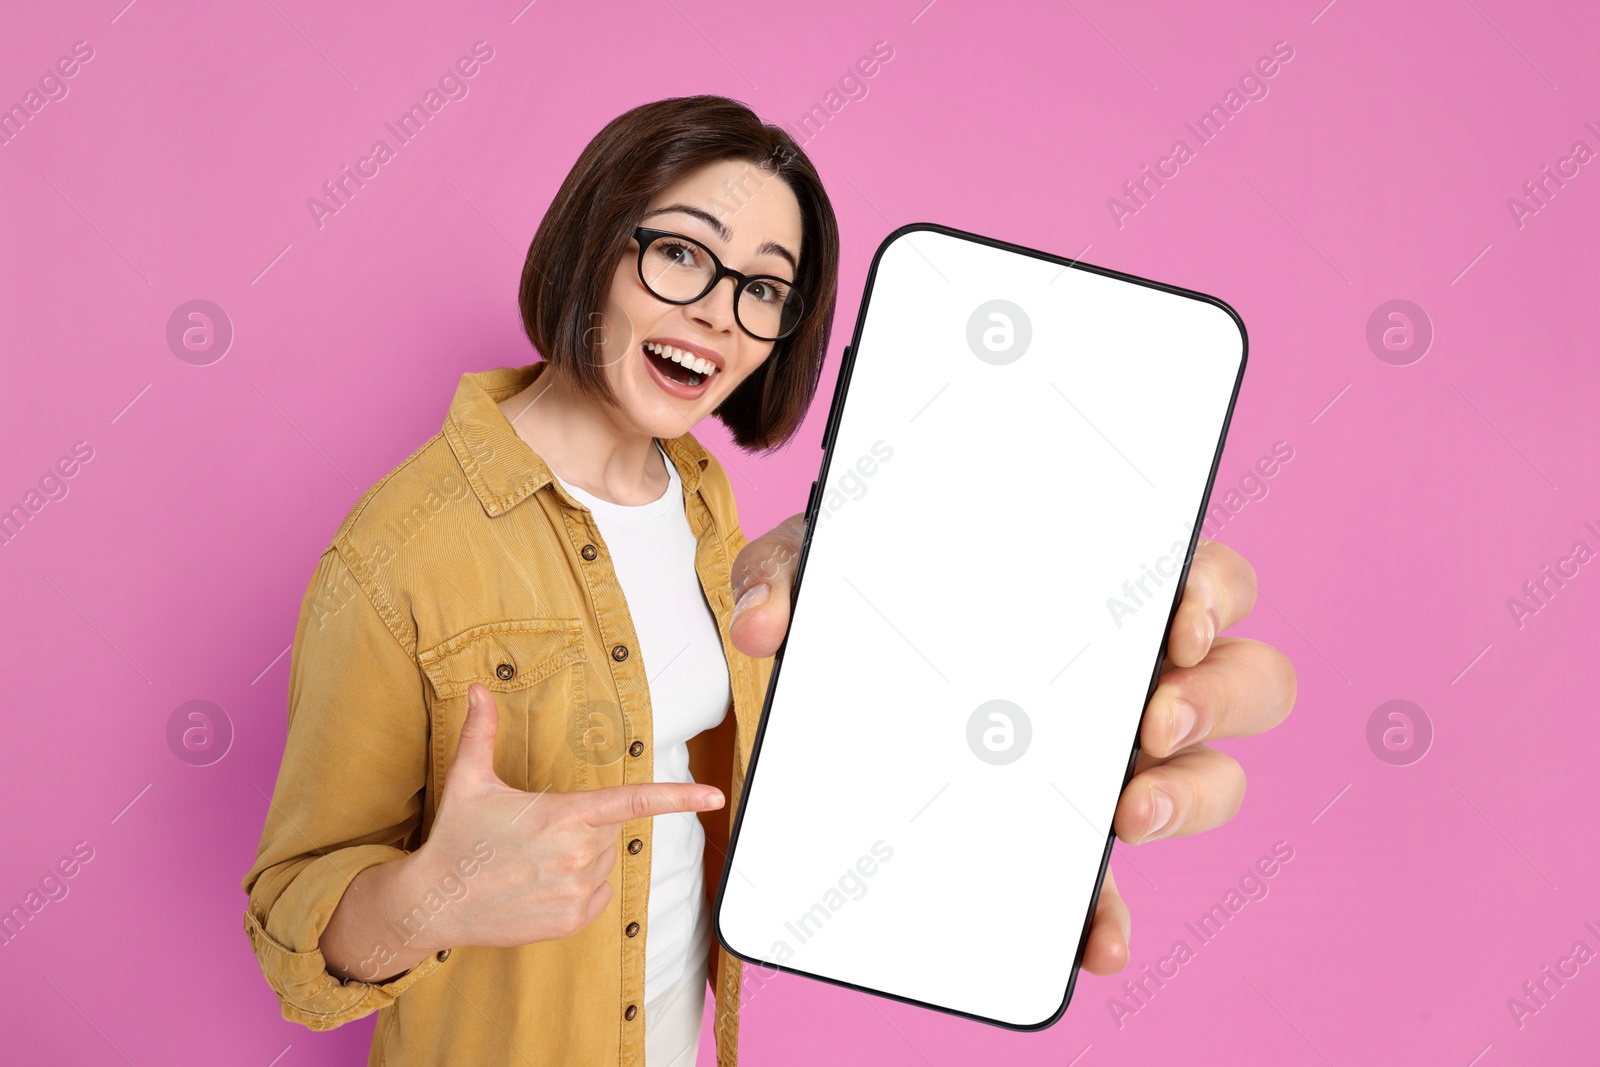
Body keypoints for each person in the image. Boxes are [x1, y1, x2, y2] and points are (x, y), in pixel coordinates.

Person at [241, 94, 1295, 1067]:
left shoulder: (704, 503)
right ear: (591, 247)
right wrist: (431, 895)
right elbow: (290, 924)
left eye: (761, 289)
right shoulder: (398, 552)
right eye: (678, 255)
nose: (715, 313)